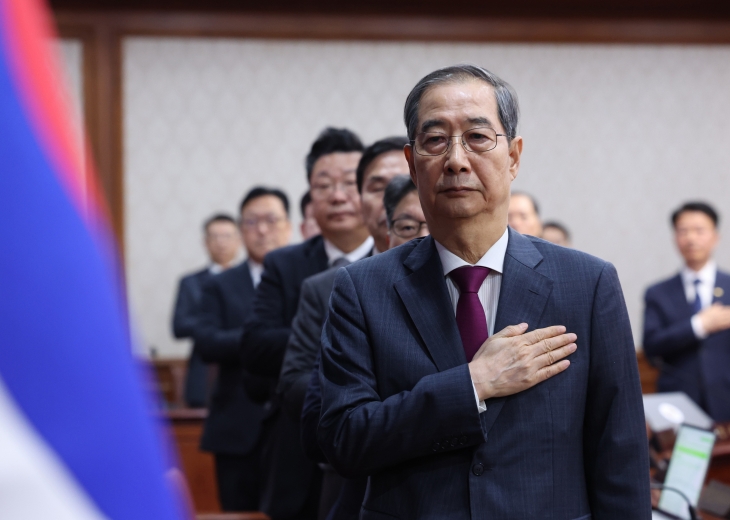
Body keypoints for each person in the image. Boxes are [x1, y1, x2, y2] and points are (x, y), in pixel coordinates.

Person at [317, 65, 650, 519]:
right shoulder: (362, 288)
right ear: (412, 164)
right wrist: (473, 384)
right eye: (436, 140)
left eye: (477, 137)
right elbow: (343, 440)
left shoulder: (588, 283)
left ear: (513, 156)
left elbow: (620, 457)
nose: (456, 160)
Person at [241, 128, 371, 520]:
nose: (337, 196)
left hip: (371, 449)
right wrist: (344, 342)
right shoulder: (284, 264)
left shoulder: (397, 259)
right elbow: (256, 345)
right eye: (324, 185)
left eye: (349, 183)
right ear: (310, 198)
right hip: (295, 444)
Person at [297, 174, 429, 520]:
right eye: (407, 227)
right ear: (387, 235)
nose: (423, 238)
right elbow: (319, 431)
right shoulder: (356, 303)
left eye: (434, 226)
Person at [193, 187, 292, 512]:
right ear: (240, 230)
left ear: (288, 226)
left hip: (293, 427)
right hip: (235, 428)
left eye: (271, 220)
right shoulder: (218, 283)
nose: (262, 230)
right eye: (251, 221)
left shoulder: (308, 277)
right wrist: (259, 340)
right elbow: (206, 342)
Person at [643, 202, 730, 421]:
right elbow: (651, 345)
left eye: (699, 230)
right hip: (678, 404)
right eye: (683, 231)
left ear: (715, 237)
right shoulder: (658, 293)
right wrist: (699, 325)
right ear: (675, 238)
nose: (691, 238)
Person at [172, 214, 242, 407]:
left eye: (227, 236)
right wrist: (213, 322)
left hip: (243, 371)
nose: (221, 242)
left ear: (239, 240)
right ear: (205, 242)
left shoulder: (250, 280)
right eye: (215, 236)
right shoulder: (190, 282)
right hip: (203, 371)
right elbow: (179, 326)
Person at [357, 136, 411, 254]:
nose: (389, 199)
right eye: (378, 188)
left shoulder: (451, 265)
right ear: (360, 203)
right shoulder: (351, 267)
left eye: (404, 186)